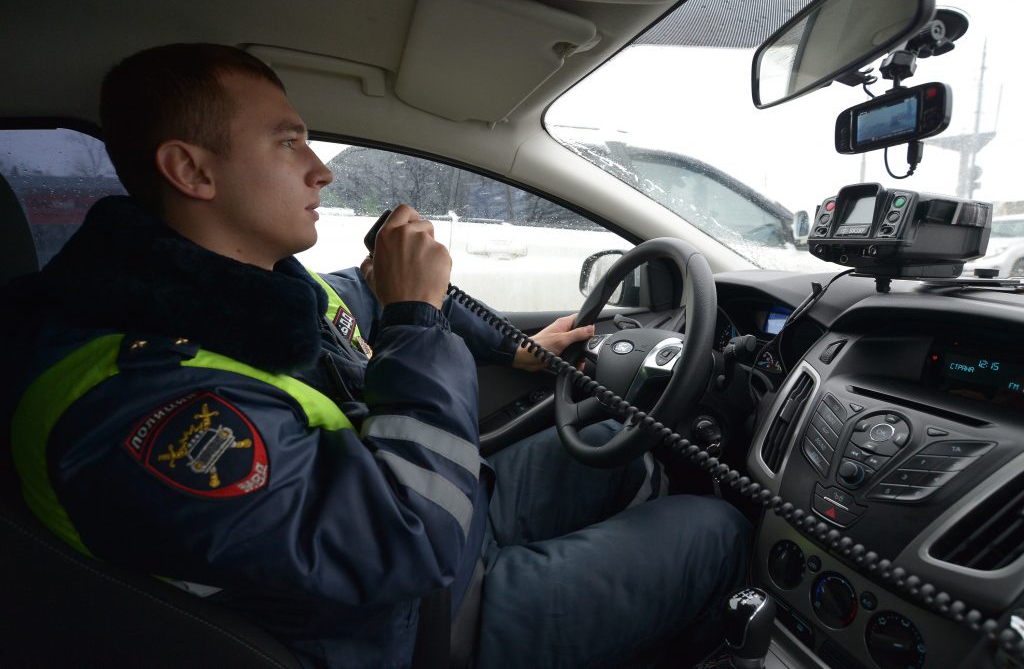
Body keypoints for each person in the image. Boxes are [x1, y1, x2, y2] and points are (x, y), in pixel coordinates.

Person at [2, 43, 750, 668]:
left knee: (622, 451)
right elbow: (406, 543)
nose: (321, 170)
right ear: (193, 172)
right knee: (714, 531)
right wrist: (416, 318)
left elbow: (362, 292)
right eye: (289, 142)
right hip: (417, 622)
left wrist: (516, 349)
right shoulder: (138, 410)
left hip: (438, 529)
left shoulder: (249, 292)